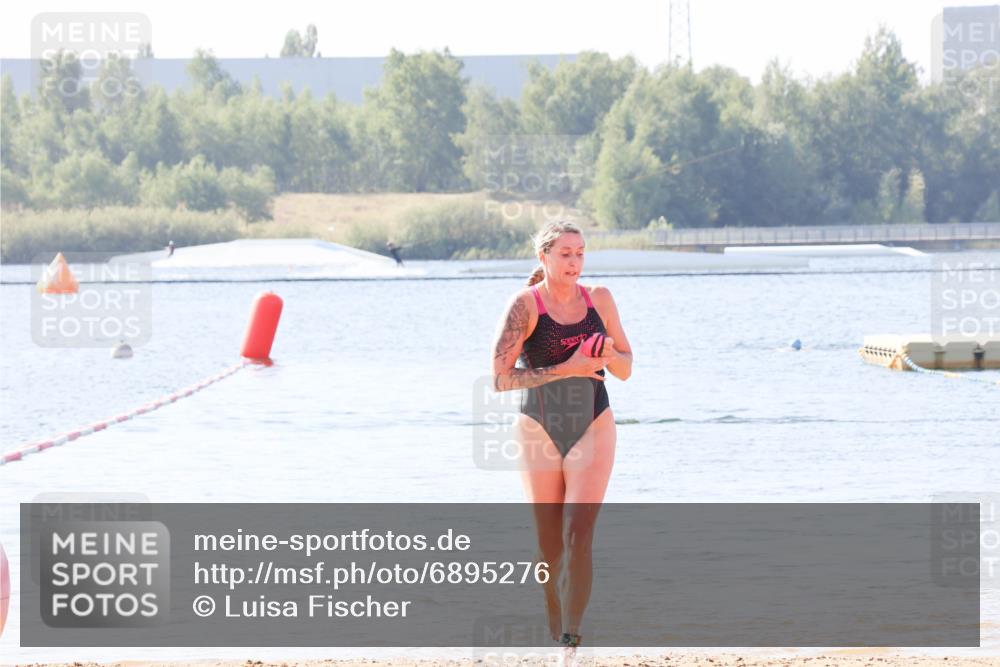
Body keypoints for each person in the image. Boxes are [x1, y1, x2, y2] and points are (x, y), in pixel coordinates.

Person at [490, 220, 633, 658]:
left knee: (578, 534)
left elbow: (626, 367)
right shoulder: (525, 306)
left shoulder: (601, 299)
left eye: (580, 253)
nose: (574, 261)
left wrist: (609, 355)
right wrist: (566, 368)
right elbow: (499, 379)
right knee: (549, 540)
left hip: (593, 419)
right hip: (539, 425)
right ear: (544, 258)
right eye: (565, 253)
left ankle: (571, 638)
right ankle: (554, 614)